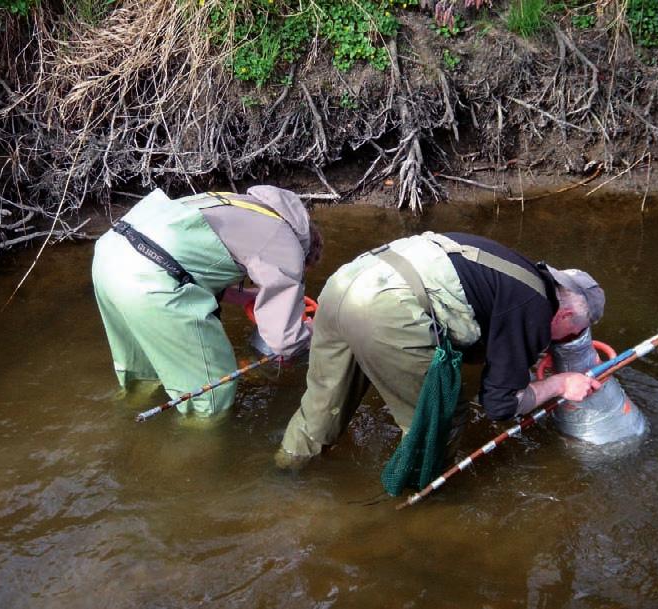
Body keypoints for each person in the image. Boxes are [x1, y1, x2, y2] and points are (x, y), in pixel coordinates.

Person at [277, 231, 603, 469]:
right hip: (388, 306)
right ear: (565, 314)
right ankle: (417, 508)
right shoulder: (535, 309)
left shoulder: (517, 272)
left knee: (323, 403)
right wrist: (561, 383)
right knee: (440, 418)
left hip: (346, 283)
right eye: (569, 335)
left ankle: (286, 469)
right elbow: (499, 405)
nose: (559, 343)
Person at [92, 185, 322, 417]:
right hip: (150, 281)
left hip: (109, 255)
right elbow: (284, 341)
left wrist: (242, 297)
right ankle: (199, 445)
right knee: (210, 401)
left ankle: (125, 413)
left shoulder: (239, 204)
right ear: (306, 255)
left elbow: (194, 260)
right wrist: (314, 333)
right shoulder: (288, 247)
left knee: (144, 373)